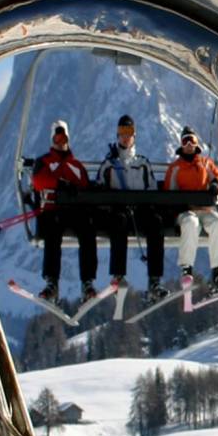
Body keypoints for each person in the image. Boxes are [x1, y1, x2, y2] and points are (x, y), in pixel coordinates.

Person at [96, 114, 169, 306]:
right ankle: (118, 276)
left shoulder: (142, 163)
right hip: (118, 212)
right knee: (118, 222)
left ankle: (154, 280)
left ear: (134, 135)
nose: (125, 137)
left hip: (139, 211)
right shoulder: (109, 164)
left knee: (156, 223)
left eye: (128, 132)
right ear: (117, 135)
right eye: (122, 132)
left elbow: (152, 189)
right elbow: (99, 187)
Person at [31, 118, 97, 302]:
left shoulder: (76, 166)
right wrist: (59, 183)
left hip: (74, 212)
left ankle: (87, 282)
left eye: (64, 138)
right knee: (52, 231)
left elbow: (85, 185)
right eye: (57, 138)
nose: (61, 142)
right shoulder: (44, 162)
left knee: (87, 230)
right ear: (52, 140)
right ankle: (52, 282)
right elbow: (37, 181)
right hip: (52, 211)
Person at [163, 126, 218, 292]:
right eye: (185, 140)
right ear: (181, 144)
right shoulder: (176, 168)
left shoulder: (206, 163)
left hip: (205, 209)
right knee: (191, 223)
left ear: (196, 143)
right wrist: (177, 205)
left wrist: (215, 184)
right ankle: (187, 268)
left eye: (191, 140)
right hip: (186, 212)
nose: (188, 144)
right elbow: (168, 192)